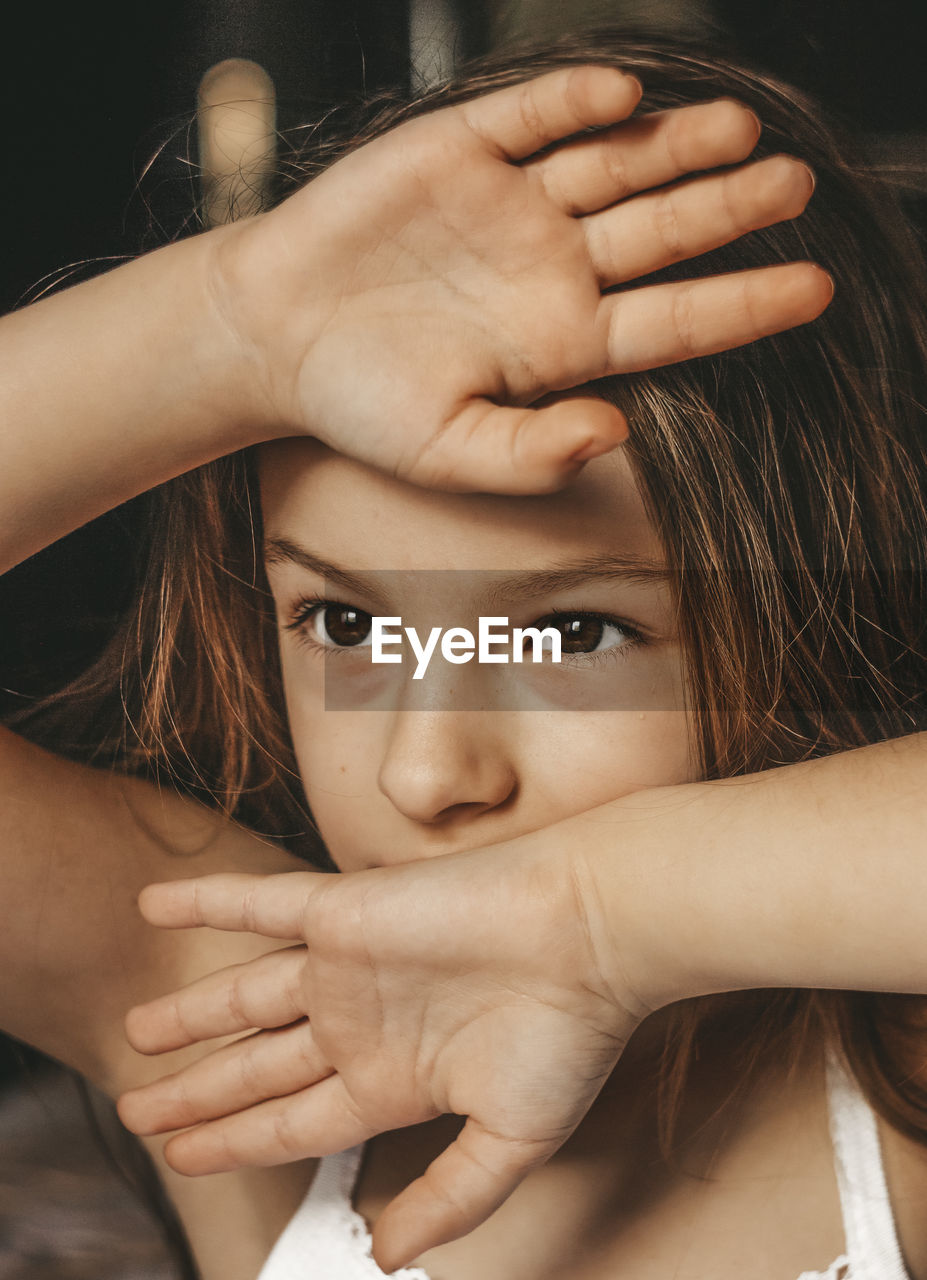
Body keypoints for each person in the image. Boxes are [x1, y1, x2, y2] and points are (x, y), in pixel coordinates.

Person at [0, 24, 924, 1280]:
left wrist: (605, 912)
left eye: (571, 630)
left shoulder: (896, 1116)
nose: (426, 773)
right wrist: (227, 331)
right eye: (348, 623)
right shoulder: (235, 1026)